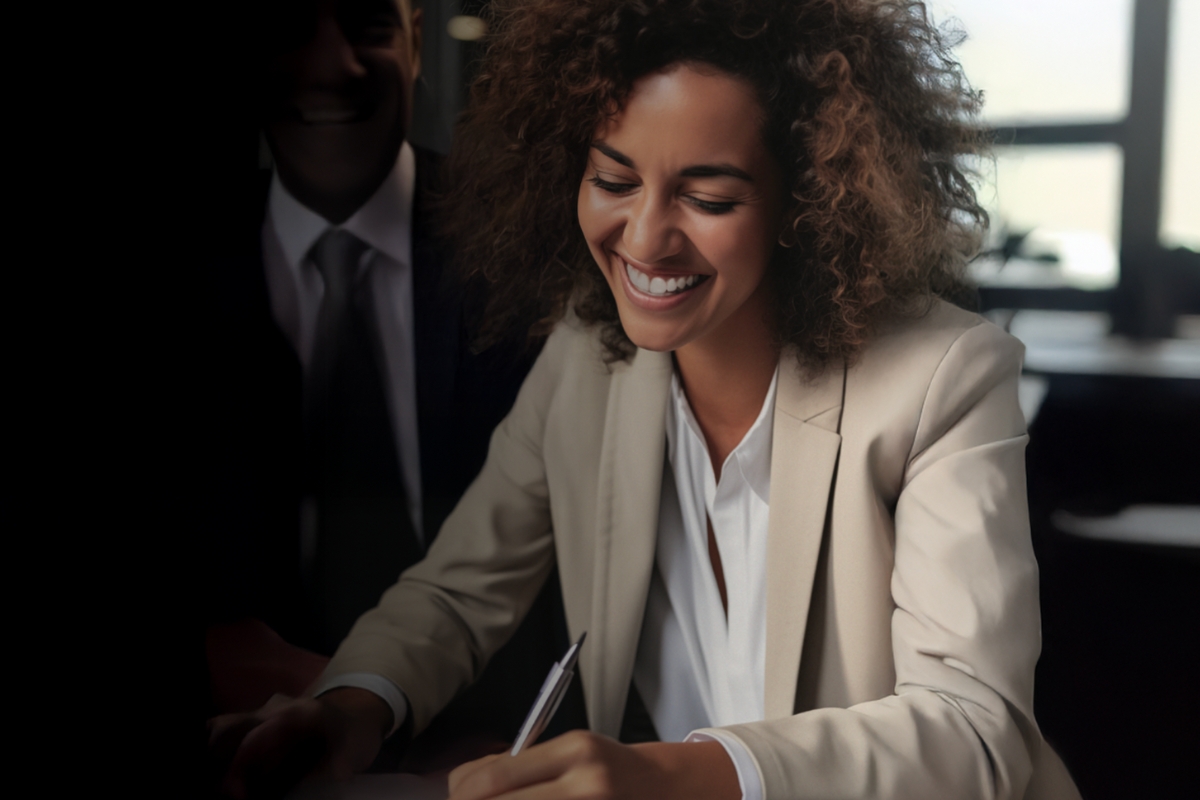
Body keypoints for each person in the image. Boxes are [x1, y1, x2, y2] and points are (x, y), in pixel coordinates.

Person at [210, 0, 1083, 797]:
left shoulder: (947, 377)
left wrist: (670, 775)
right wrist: (348, 709)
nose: (645, 238)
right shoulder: (584, 358)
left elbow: (977, 730)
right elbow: (458, 590)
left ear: (808, 200)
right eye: (614, 180)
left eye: (707, 196)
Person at [204, 0, 551, 730]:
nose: (334, 68)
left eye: (367, 26)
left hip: (487, 748)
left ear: (417, 44)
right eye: (290, 28)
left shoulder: (531, 251)